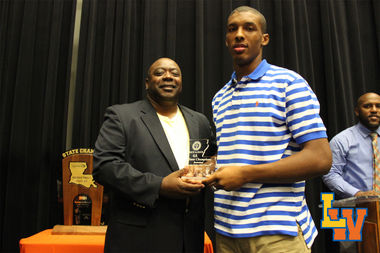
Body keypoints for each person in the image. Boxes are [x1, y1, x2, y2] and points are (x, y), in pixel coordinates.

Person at [202, 6, 332, 253]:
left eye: (249, 28)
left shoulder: (289, 83)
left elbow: (321, 158)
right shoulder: (220, 97)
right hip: (227, 232)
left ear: (264, 39)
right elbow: (240, 151)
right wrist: (211, 165)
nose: (239, 34)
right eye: (233, 29)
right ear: (227, 40)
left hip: (277, 233)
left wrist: (245, 175)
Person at [93, 57, 216, 253]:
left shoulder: (199, 121)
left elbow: (211, 158)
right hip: (138, 240)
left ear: (181, 82)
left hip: (189, 239)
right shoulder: (122, 116)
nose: (168, 76)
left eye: (175, 73)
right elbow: (105, 167)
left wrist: (209, 168)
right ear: (147, 83)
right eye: (159, 73)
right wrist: (159, 186)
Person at [323, 92, 380, 199]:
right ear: (357, 111)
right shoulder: (342, 140)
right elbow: (330, 175)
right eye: (367, 106)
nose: (374, 110)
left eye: (378, 106)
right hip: (358, 209)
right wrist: (357, 194)